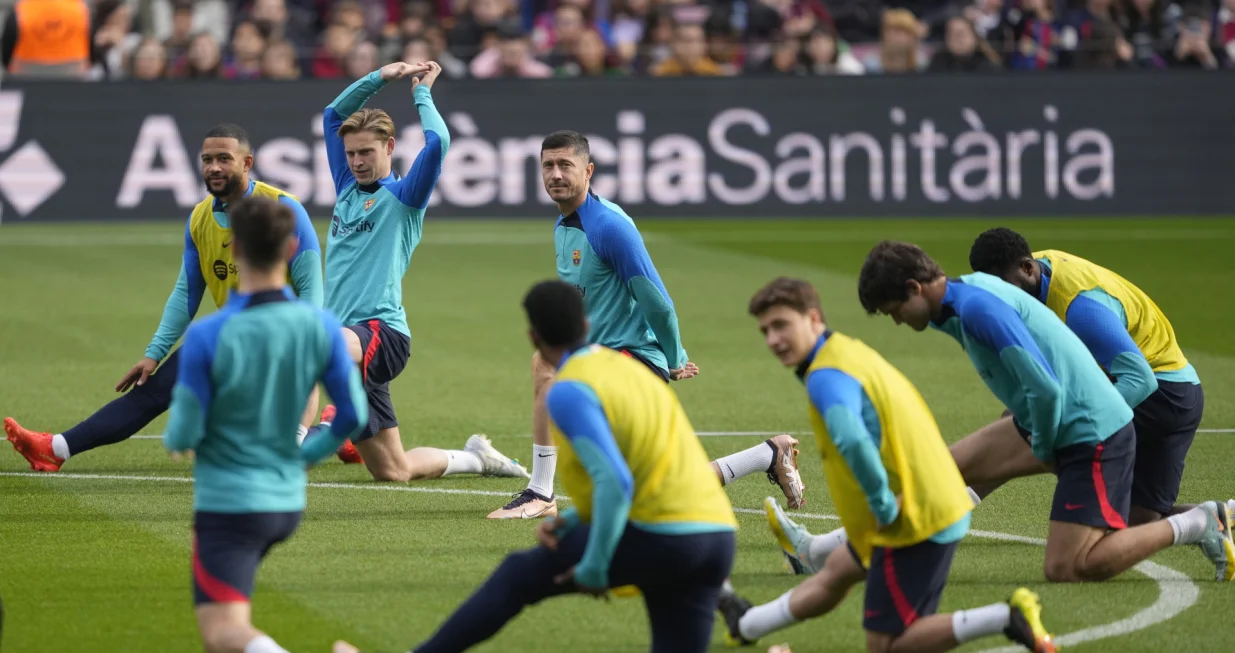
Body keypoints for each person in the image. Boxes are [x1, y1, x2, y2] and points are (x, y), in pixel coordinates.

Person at [334, 280, 738, 653]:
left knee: (517, 575)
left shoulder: (568, 390)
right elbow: (650, 468)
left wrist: (596, 565)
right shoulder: (634, 372)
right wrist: (576, 517)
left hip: (661, 534)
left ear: (533, 336)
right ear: (586, 323)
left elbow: (615, 482)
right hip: (717, 536)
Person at [853, 241, 1234, 583]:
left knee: (1069, 566)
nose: (898, 321)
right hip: (1068, 412)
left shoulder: (979, 308)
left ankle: (1201, 522)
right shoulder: (963, 294)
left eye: (894, 311)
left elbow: (1047, 388)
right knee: (943, 468)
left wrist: (1046, 447)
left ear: (914, 289)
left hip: (1093, 426)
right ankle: (841, 552)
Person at [717, 276, 1058, 653]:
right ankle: (746, 623)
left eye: (781, 325)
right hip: (932, 499)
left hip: (911, 519)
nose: (773, 340)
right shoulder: (845, 350)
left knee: (888, 646)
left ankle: (1006, 618)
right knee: (835, 574)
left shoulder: (825, 378)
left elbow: (851, 440)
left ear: (813, 318)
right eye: (765, 330)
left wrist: (881, 507)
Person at [487, 130, 805, 520]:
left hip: (632, 361)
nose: (555, 174)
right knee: (652, 486)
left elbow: (656, 302)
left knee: (639, 486)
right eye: (548, 166)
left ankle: (541, 491)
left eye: (565, 165)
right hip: (598, 359)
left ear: (588, 171)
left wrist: (674, 357)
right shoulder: (566, 223)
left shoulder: (609, 227)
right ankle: (768, 454)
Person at [6, 124, 324, 472]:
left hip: (283, 334)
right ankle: (55, 449)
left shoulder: (284, 210)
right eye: (207, 160)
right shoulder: (200, 218)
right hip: (234, 332)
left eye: (224, 159)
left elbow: (312, 286)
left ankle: (329, 431)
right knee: (154, 391)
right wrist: (154, 352)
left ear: (247, 163)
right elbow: (187, 291)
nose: (214, 167)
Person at [304, 60, 528, 483]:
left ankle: (312, 431)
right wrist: (379, 78)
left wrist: (420, 93)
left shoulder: (405, 196)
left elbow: (439, 141)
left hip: (380, 333)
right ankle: (477, 458)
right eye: (351, 153)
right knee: (394, 471)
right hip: (349, 341)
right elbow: (332, 116)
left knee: (312, 343)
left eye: (367, 152)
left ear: (389, 148)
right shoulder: (348, 187)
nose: (356, 162)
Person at [164, 196, 368, 653]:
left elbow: (182, 431)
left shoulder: (208, 334)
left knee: (222, 632)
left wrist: (182, 438)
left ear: (233, 249)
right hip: (285, 503)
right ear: (292, 246)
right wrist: (302, 458)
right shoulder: (320, 325)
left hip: (228, 505)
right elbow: (354, 414)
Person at [968, 227, 1220, 525]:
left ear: (1027, 268)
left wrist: (1087, 424)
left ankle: (957, 505)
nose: (1002, 299)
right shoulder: (1035, 270)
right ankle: (1222, 517)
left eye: (1005, 288)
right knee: (1141, 520)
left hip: (1161, 393)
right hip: (1180, 392)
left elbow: (1140, 379)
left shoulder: (1083, 309)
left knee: (1031, 427)